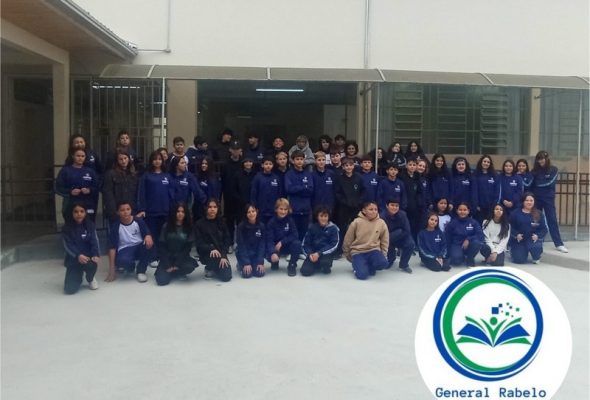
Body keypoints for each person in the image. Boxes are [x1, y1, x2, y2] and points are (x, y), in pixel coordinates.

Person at [137, 151, 174, 266]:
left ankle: (163, 257)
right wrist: (142, 208)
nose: (157, 161)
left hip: (165, 211)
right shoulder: (146, 176)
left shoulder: (167, 176)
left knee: (164, 235)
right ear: (151, 161)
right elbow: (141, 193)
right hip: (151, 211)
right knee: (152, 234)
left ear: (162, 161)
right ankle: (152, 257)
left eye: (159, 159)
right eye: (155, 159)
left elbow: (172, 194)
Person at [106, 201, 154, 283]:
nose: (125, 212)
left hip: (139, 246)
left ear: (131, 210)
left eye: (128, 209)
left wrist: (148, 235)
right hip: (125, 248)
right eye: (122, 210)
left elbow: (147, 233)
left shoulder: (138, 221)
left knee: (149, 244)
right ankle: (131, 267)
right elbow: (112, 248)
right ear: (118, 212)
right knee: (122, 261)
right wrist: (112, 270)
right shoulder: (116, 226)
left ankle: (141, 271)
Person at [531, 151, 568, 253]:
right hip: (536, 199)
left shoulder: (553, 169)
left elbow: (550, 183)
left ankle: (559, 244)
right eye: (539, 159)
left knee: (552, 220)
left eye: (542, 158)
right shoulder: (534, 171)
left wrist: (537, 184)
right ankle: (536, 241)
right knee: (536, 220)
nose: (541, 161)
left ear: (547, 159)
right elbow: (530, 183)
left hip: (548, 199)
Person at [342, 201, 389, 280]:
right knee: (362, 275)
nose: (374, 211)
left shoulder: (381, 223)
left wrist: (384, 254)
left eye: (375, 209)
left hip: (373, 251)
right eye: (371, 209)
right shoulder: (356, 222)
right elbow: (348, 239)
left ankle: (368, 266)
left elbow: (385, 240)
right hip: (358, 252)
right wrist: (348, 255)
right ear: (364, 210)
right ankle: (358, 266)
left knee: (384, 263)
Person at [155, 203, 198, 286]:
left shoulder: (189, 227)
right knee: (161, 281)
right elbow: (162, 247)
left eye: (183, 212)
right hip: (167, 258)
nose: (180, 214)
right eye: (178, 211)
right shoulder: (166, 226)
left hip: (181, 257)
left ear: (185, 214)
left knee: (189, 266)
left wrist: (177, 264)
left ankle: (176, 271)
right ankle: (171, 271)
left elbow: (187, 249)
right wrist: (167, 264)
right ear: (174, 213)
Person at [61, 203, 100, 294]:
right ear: (71, 213)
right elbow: (68, 245)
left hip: (87, 258)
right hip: (74, 259)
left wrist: (95, 254)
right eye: (76, 212)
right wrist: (78, 255)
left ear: (85, 213)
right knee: (69, 289)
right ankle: (78, 275)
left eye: (82, 211)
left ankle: (90, 278)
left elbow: (94, 241)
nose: (79, 214)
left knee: (92, 265)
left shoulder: (90, 225)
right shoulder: (66, 228)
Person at [194, 199, 232, 282]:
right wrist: (211, 248)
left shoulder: (222, 222)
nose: (212, 209)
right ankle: (209, 268)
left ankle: (216, 268)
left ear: (218, 208)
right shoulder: (199, 224)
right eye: (210, 207)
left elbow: (227, 239)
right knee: (213, 260)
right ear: (206, 208)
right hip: (207, 253)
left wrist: (223, 255)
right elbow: (199, 243)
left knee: (226, 277)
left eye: (215, 207)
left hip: (220, 253)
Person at [55, 148, 98, 222]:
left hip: (88, 204)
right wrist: (70, 192)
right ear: (73, 156)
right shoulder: (65, 171)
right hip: (70, 204)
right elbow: (58, 188)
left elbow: (96, 187)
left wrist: (89, 190)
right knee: (71, 226)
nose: (80, 158)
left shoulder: (90, 171)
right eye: (78, 156)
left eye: (82, 156)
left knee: (89, 225)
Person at [334, 157, 365, 256]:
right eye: (346, 165)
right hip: (343, 208)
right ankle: (340, 250)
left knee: (357, 228)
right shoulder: (339, 178)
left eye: (350, 165)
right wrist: (345, 202)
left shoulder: (359, 178)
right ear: (343, 167)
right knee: (342, 229)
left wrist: (359, 202)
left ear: (353, 166)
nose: (348, 167)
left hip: (356, 207)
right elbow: (337, 193)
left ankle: (356, 249)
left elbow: (363, 191)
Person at [265, 198, 301, 276]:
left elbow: (295, 235)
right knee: (269, 253)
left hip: (286, 245)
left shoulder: (290, 220)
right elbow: (269, 240)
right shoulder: (271, 222)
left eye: (285, 209)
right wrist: (272, 252)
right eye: (281, 209)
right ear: (276, 209)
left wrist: (282, 242)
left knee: (297, 244)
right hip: (276, 247)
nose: (283, 211)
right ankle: (275, 261)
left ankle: (292, 265)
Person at [301, 206, 340, 276]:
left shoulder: (333, 228)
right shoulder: (312, 227)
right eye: (321, 216)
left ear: (328, 217)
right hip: (313, 253)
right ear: (317, 217)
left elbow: (334, 245)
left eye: (325, 216)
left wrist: (319, 253)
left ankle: (324, 266)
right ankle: (315, 264)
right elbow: (305, 244)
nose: (323, 218)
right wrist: (310, 254)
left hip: (325, 254)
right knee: (305, 271)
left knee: (325, 263)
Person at [509, 193, 548, 264]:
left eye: (531, 200)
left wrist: (538, 236)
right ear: (523, 201)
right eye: (527, 200)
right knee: (519, 260)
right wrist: (516, 235)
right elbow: (510, 227)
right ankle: (515, 252)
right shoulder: (515, 213)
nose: (529, 202)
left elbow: (544, 229)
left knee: (536, 248)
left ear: (534, 201)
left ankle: (536, 256)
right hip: (520, 240)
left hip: (533, 240)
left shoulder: (539, 213)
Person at [284, 150, 314, 240]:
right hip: (294, 209)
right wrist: (303, 187)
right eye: (297, 159)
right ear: (293, 161)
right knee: (293, 233)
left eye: (301, 159)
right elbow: (289, 189)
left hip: (306, 209)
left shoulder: (308, 174)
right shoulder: (289, 174)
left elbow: (310, 190)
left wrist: (297, 188)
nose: (299, 161)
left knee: (304, 234)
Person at [102, 150, 138, 223]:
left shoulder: (133, 174)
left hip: (131, 210)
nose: (123, 161)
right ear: (117, 161)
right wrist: (113, 211)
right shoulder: (110, 174)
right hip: (116, 211)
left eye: (125, 158)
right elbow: (108, 194)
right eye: (120, 159)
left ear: (129, 159)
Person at [380, 199, 414, 273]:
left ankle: (404, 265)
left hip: (400, 237)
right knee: (388, 263)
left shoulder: (403, 214)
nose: (394, 207)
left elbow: (407, 230)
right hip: (388, 239)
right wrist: (394, 235)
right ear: (387, 206)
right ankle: (391, 259)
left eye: (396, 206)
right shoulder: (382, 216)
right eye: (392, 205)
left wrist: (397, 234)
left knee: (410, 243)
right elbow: (382, 234)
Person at [445, 202, 483, 267]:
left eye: (465, 210)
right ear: (457, 211)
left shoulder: (473, 222)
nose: (462, 212)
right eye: (460, 210)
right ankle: (461, 256)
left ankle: (470, 258)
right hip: (457, 245)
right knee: (456, 261)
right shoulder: (452, 223)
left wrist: (468, 239)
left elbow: (480, 235)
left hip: (470, 244)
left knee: (477, 243)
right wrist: (447, 254)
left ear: (468, 211)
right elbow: (448, 238)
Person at [235, 204, 266, 279]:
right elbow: (241, 245)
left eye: (253, 211)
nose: (251, 214)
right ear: (246, 214)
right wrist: (246, 262)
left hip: (255, 255)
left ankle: (253, 264)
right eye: (249, 212)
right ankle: (240, 264)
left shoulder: (261, 226)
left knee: (259, 273)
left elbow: (262, 245)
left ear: (257, 212)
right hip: (245, 254)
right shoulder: (241, 227)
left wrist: (260, 262)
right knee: (247, 275)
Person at [251, 157, 283, 224]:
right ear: (262, 165)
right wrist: (254, 206)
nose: (268, 166)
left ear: (273, 165)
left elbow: (279, 194)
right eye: (266, 164)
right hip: (261, 209)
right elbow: (254, 193)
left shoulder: (276, 178)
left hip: (273, 210)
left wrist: (278, 206)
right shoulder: (257, 177)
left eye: (270, 164)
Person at [474, 154, 500, 224]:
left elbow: (497, 190)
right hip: (479, 207)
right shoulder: (475, 175)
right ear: (481, 162)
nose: (486, 163)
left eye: (488, 162)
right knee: (479, 225)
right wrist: (476, 204)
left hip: (491, 207)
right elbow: (474, 191)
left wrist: (494, 204)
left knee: (489, 225)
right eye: (484, 161)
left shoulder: (494, 175)